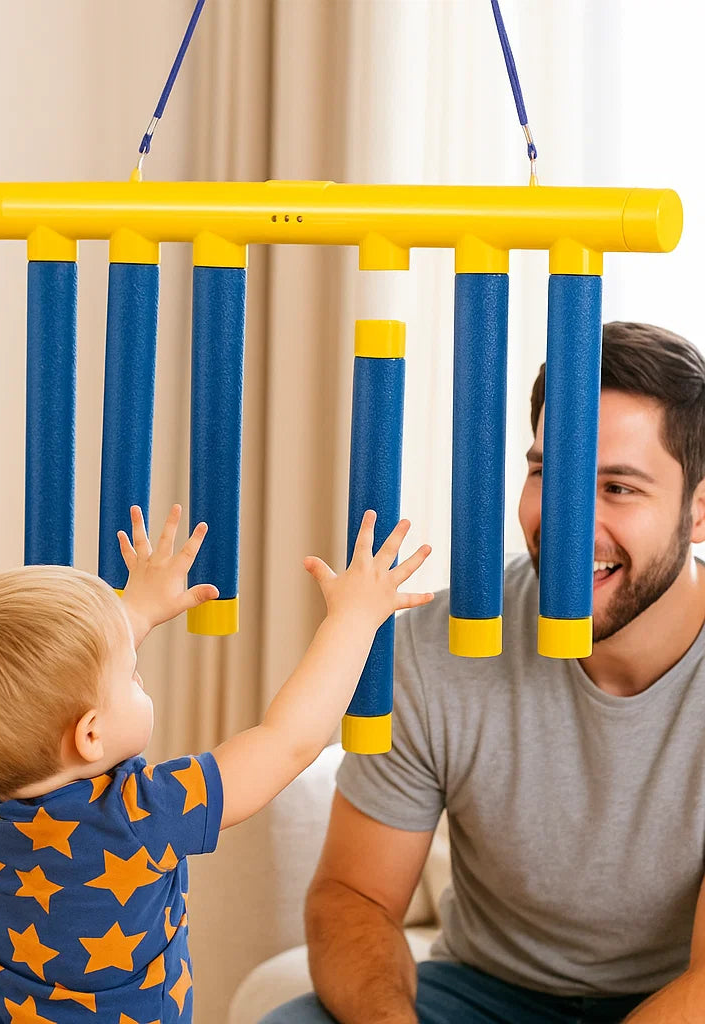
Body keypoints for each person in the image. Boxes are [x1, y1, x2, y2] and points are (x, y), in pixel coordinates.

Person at [262, 321, 705, 1024]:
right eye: (544, 473)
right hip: (485, 993)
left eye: (617, 486)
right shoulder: (436, 644)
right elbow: (354, 896)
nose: (565, 521)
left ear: (699, 507)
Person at [0, 501, 432, 1022]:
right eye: (131, 673)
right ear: (90, 734)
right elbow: (288, 741)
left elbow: (48, 694)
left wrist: (133, 613)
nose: (139, 676)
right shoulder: (141, 814)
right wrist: (354, 620)